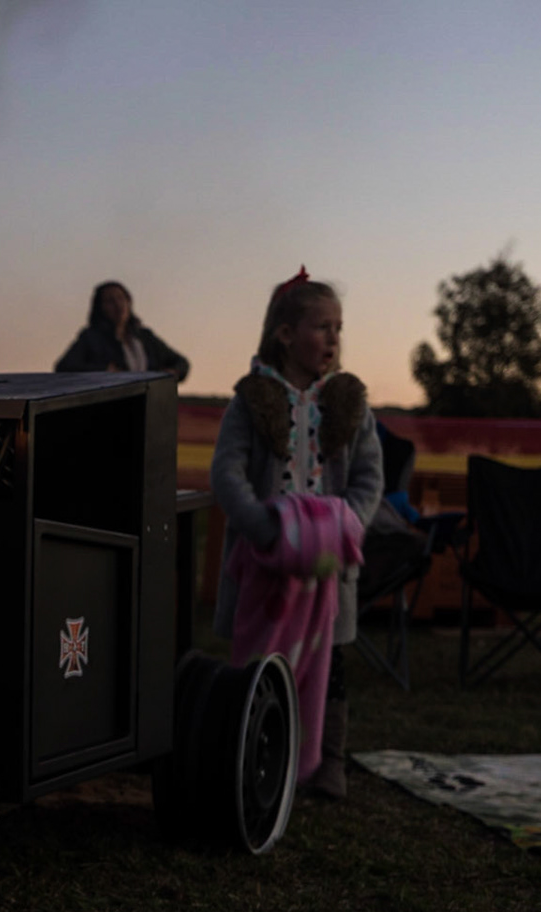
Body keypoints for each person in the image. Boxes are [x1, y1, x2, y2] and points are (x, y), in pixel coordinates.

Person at [210, 270, 383, 798]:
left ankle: (328, 762)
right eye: (321, 327)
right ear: (285, 334)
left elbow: (369, 477)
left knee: (329, 663)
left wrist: (346, 526)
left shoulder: (349, 404)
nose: (333, 339)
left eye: (338, 328)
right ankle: (258, 756)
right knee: (263, 660)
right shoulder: (252, 400)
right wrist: (263, 529)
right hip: (267, 560)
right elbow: (227, 472)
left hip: (326, 564)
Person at [54, 281, 191, 380]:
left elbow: (181, 362)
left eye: (121, 298)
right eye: (110, 301)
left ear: (128, 302)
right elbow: (64, 367)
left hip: (149, 404)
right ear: (100, 307)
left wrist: (171, 373)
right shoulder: (91, 337)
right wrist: (102, 370)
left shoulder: (144, 337)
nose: (118, 304)